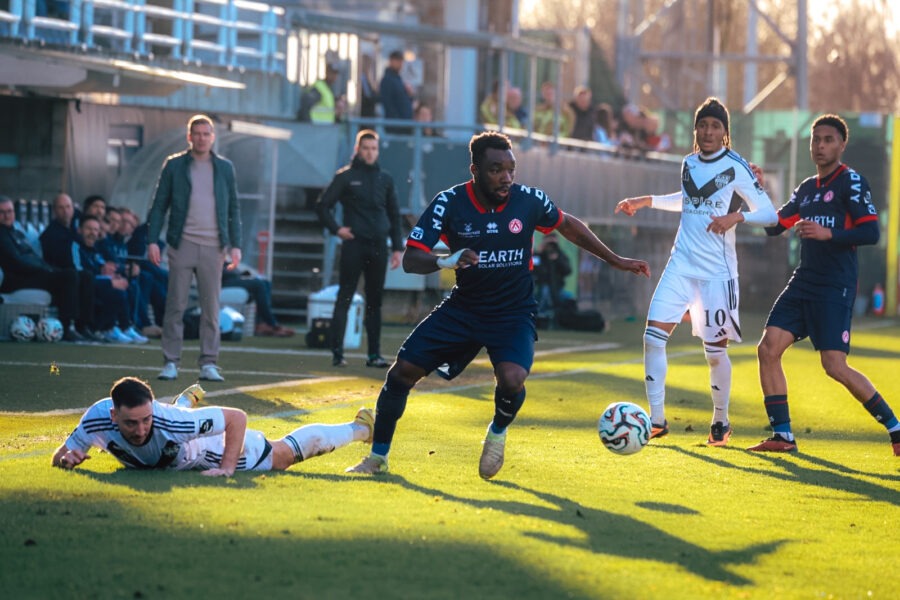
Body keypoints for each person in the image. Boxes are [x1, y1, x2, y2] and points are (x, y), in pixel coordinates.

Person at [346, 131, 650, 478]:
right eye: (495, 170)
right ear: (474, 170)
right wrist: (446, 260)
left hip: (512, 312)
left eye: (511, 169)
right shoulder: (450, 203)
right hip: (463, 308)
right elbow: (413, 258)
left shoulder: (528, 200)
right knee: (401, 373)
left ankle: (497, 432)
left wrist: (615, 259)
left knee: (512, 379)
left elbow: (568, 226)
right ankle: (378, 458)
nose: (506, 177)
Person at [614, 97, 777, 447]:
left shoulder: (736, 166)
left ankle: (721, 420)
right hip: (680, 265)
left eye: (715, 126)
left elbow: (770, 213)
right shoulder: (688, 162)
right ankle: (656, 421)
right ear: (696, 130)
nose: (707, 131)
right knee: (651, 338)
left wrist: (737, 217)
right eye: (702, 125)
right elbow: (689, 199)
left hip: (717, 274)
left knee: (714, 353)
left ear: (725, 133)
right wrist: (647, 201)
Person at [749, 114, 900, 455]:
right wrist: (756, 189)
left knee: (834, 366)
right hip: (803, 281)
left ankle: (896, 428)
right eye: (815, 139)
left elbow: (871, 232)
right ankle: (783, 436)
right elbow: (774, 225)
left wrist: (829, 233)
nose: (819, 146)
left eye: (828, 139)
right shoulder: (805, 189)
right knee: (767, 348)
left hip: (835, 286)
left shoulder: (852, 183)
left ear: (841, 145)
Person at [52, 376, 375, 475]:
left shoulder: (166, 421)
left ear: (153, 411)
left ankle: (360, 428)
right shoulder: (96, 418)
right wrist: (67, 459)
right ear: (113, 417)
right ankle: (185, 401)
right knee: (178, 423)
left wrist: (227, 468)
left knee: (282, 456)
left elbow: (237, 418)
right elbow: (61, 455)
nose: (139, 430)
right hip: (180, 431)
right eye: (130, 423)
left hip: (211, 449)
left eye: (145, 420)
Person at [147, 114, 242, 382]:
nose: (201, 138)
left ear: (213, 137)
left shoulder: (225, 168)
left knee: (211, 308)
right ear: (189, 137)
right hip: (182, 243)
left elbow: (234, 207)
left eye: (206, 133)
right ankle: (171, 362)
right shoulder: (174, 165)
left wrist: (236, 245)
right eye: (196, 133)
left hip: (215, 246)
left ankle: (209, 363)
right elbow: (158, 205)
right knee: (175, 305)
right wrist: (152, 240)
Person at [316, 129, 403, 368]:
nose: (370, 152)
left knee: (375, 301)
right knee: (345, 296)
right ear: (357, 150)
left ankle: (374, 354)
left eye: (374, 148)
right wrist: (337, 229)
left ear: (378, 150)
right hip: (354, 245)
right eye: (365, 148)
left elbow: (394, 215)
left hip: (379, 247)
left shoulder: (385, 179)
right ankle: (337, 353)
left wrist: (397, 248)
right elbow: (323, 206)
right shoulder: (345, 176)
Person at [0, 195, 90, 342]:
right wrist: (46, 270)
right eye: (2, 212)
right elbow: (16, 261)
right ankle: (67, 327)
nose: (7, 216)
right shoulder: (2, 235)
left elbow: (34, 258)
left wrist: (48, 268)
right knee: (69, 276)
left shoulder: (16, 233)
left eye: (9, 211)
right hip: (17, 279)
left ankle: (84, 326)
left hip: (32, 274)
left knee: (85, 276)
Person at [78, 215, 148, 344]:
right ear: (79, 230)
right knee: (116, 291)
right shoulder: (77, 247)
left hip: (93, 284)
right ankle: (107, 328)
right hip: (82, 286)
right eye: (89, 229)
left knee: (127, 284)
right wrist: (109, 281)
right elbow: (80, 274)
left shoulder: (95, 250)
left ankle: (124, 327)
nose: (93, 233)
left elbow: (105, 266)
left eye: (95, 230)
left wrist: (109, 274)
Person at [221, 262, 294, 337]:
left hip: (232, 278)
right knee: (259, 285)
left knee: (265, 283)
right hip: (223, 282)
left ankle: (262, 324)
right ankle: (271, 323)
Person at [533, 232, 572, 322]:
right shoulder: (539, 256)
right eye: (548, 243)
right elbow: (533, 270)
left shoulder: (560, 255)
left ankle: (558, 318)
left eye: (553, 243)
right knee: (545, 290)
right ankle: (541, 316)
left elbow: (567, 271)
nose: (550, 247)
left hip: (558, 288)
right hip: (540, 287)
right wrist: (539, 253)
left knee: (569, 298)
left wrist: (557, 259)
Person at [379, 50, 414, 133]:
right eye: (398, 61)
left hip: (404, 124)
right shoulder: (387, 80)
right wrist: (397, 122)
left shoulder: (397, 79)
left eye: (401, 61)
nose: (401, 64)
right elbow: (387, 103)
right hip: (396, 127)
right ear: (391, 61)